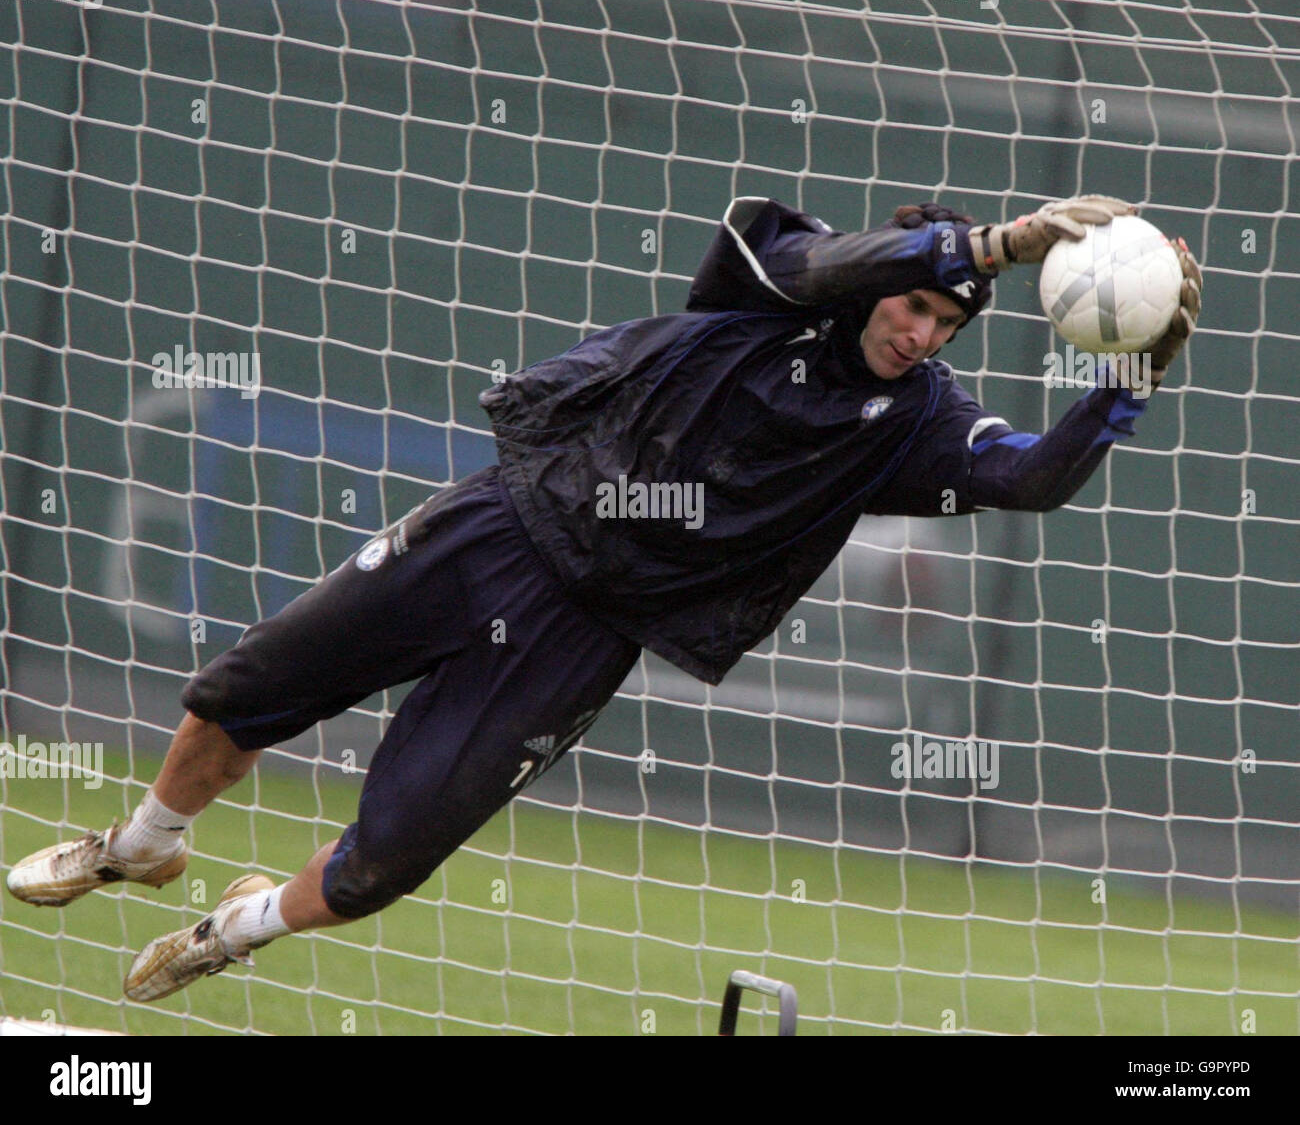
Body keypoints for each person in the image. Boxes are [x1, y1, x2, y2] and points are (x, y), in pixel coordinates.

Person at [6, 195, 1202, 1002]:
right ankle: (139, 847)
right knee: (243, 691)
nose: (919, 329)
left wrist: (1128, 373)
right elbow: (830, 263)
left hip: (586, 636)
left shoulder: (916, 422)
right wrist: (990, 242)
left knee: (381, 869)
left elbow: (1029, 478)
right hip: (504, 527)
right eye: (914, 302)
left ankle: (233, 927)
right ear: (881, 284)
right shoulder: (777, 277)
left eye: (943, 323)